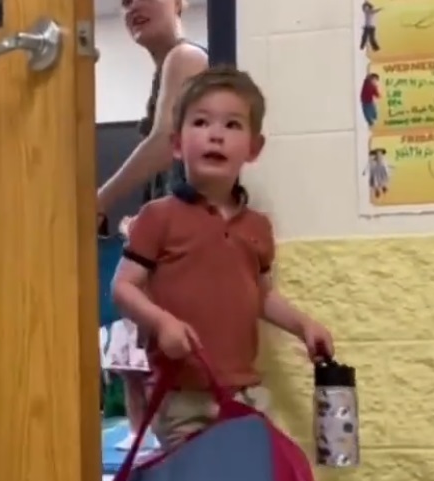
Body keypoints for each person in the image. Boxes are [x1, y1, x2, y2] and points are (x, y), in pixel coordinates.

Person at [111, 66, 335, 449]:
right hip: (181, 395)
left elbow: (262, 295)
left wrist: (303, 325)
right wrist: (163, 323)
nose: (215, 134)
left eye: (232, 125)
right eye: (201, 122)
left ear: (253, 148)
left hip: (245, 392)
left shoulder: (258, 228)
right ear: (178, 143)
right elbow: (123, 287)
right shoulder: (158, 217)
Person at [97, 0, 209, 451]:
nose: (132, 7)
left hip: (189, 261)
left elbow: (166, 141)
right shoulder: (166, 70)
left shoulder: (186, 58)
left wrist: (100, 199)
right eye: (123, 2)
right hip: (172, 255)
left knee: (187, 411)